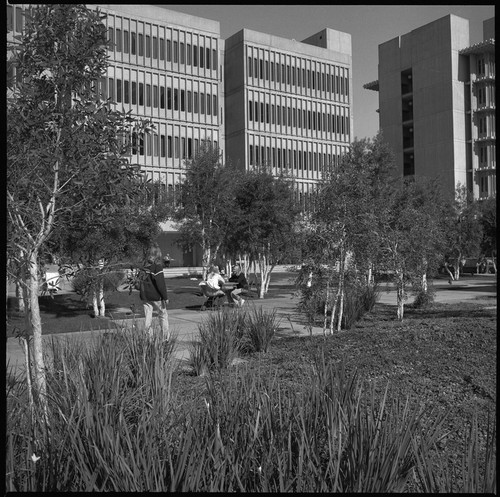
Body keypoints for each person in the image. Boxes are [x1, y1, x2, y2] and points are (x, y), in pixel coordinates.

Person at [139, 245, 169, 340]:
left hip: (145, 296)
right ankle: (165, 338)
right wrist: (165, 297)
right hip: (156, 296)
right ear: (158, 255)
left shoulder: (144, 267)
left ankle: (149, 338)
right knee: (163, 315)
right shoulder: (157, 267)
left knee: (148, 316)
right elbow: (161, 284)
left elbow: (139, 281)